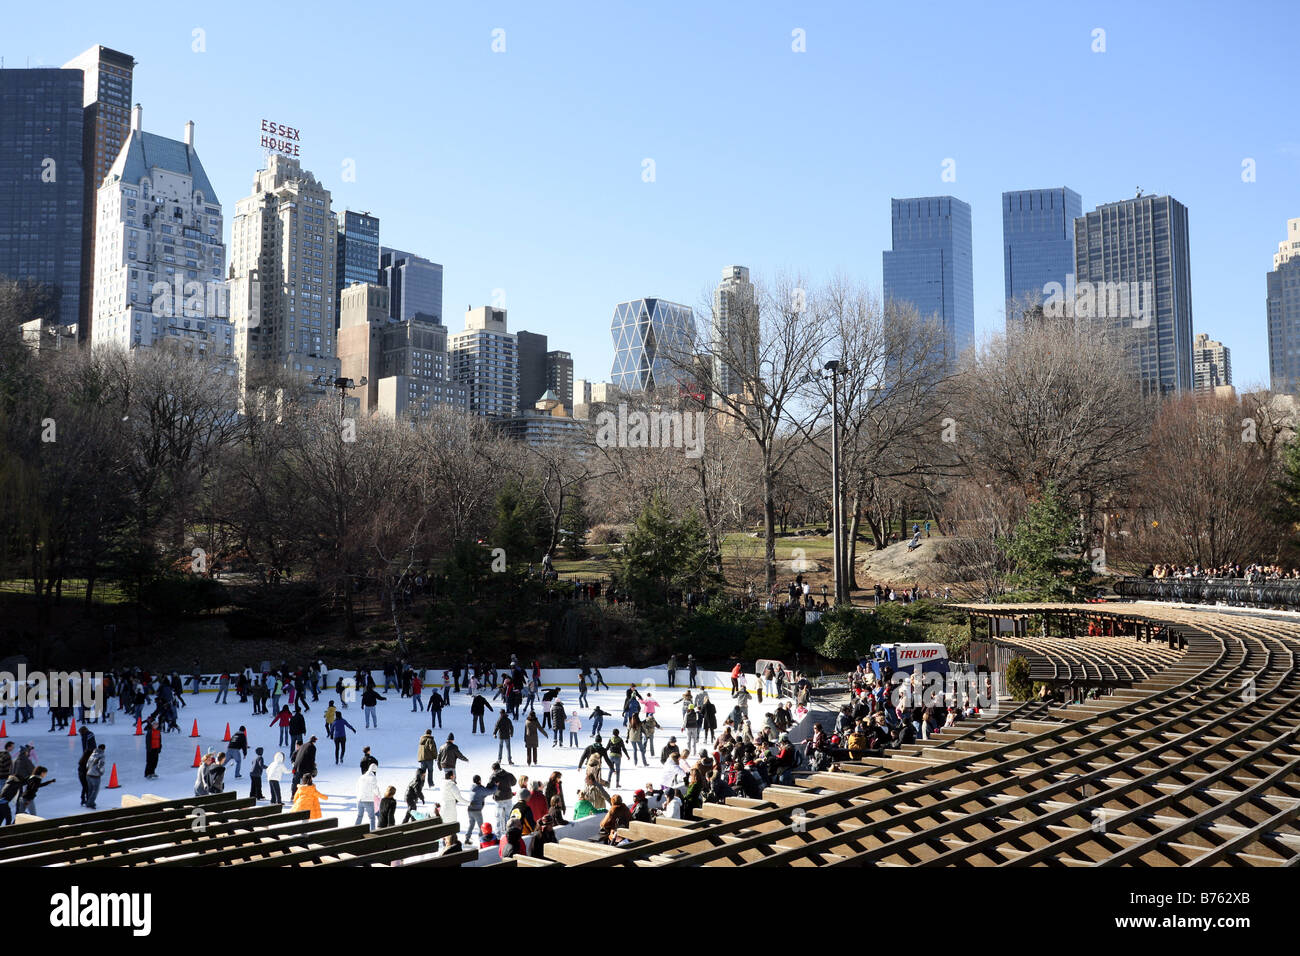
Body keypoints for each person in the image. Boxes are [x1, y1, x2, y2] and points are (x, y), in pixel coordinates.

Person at [488, 761, 517, 835]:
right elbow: (514, 782)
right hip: (508, 797)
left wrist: (495, 786)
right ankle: (510, 833)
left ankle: (498, 835)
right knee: (508, 816)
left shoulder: (493, 776)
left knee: (499, 817)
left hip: (499, 799)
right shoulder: (508, 774)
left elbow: (488, 787)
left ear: (493, 769)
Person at [464, 774, 492, 845]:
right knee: (481, 826)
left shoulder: (472, 787)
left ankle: (467, 838)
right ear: (479, 780)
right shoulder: (479, 788)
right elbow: (489, 792)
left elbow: (482, 794)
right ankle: (482, 841)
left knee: (471, 824)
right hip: (476, 810)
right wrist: (495, 786)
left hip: (470, 809)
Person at [84, 744, 106, 809]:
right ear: (103, 749)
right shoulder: (101, 755)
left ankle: (89, 802)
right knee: (95, 790)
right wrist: (101, 772)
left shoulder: (92, 754)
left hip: (88, 775)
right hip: (95, 776)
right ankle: (90, 803)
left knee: (90, 790)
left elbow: (87, 765)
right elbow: (100, 765)